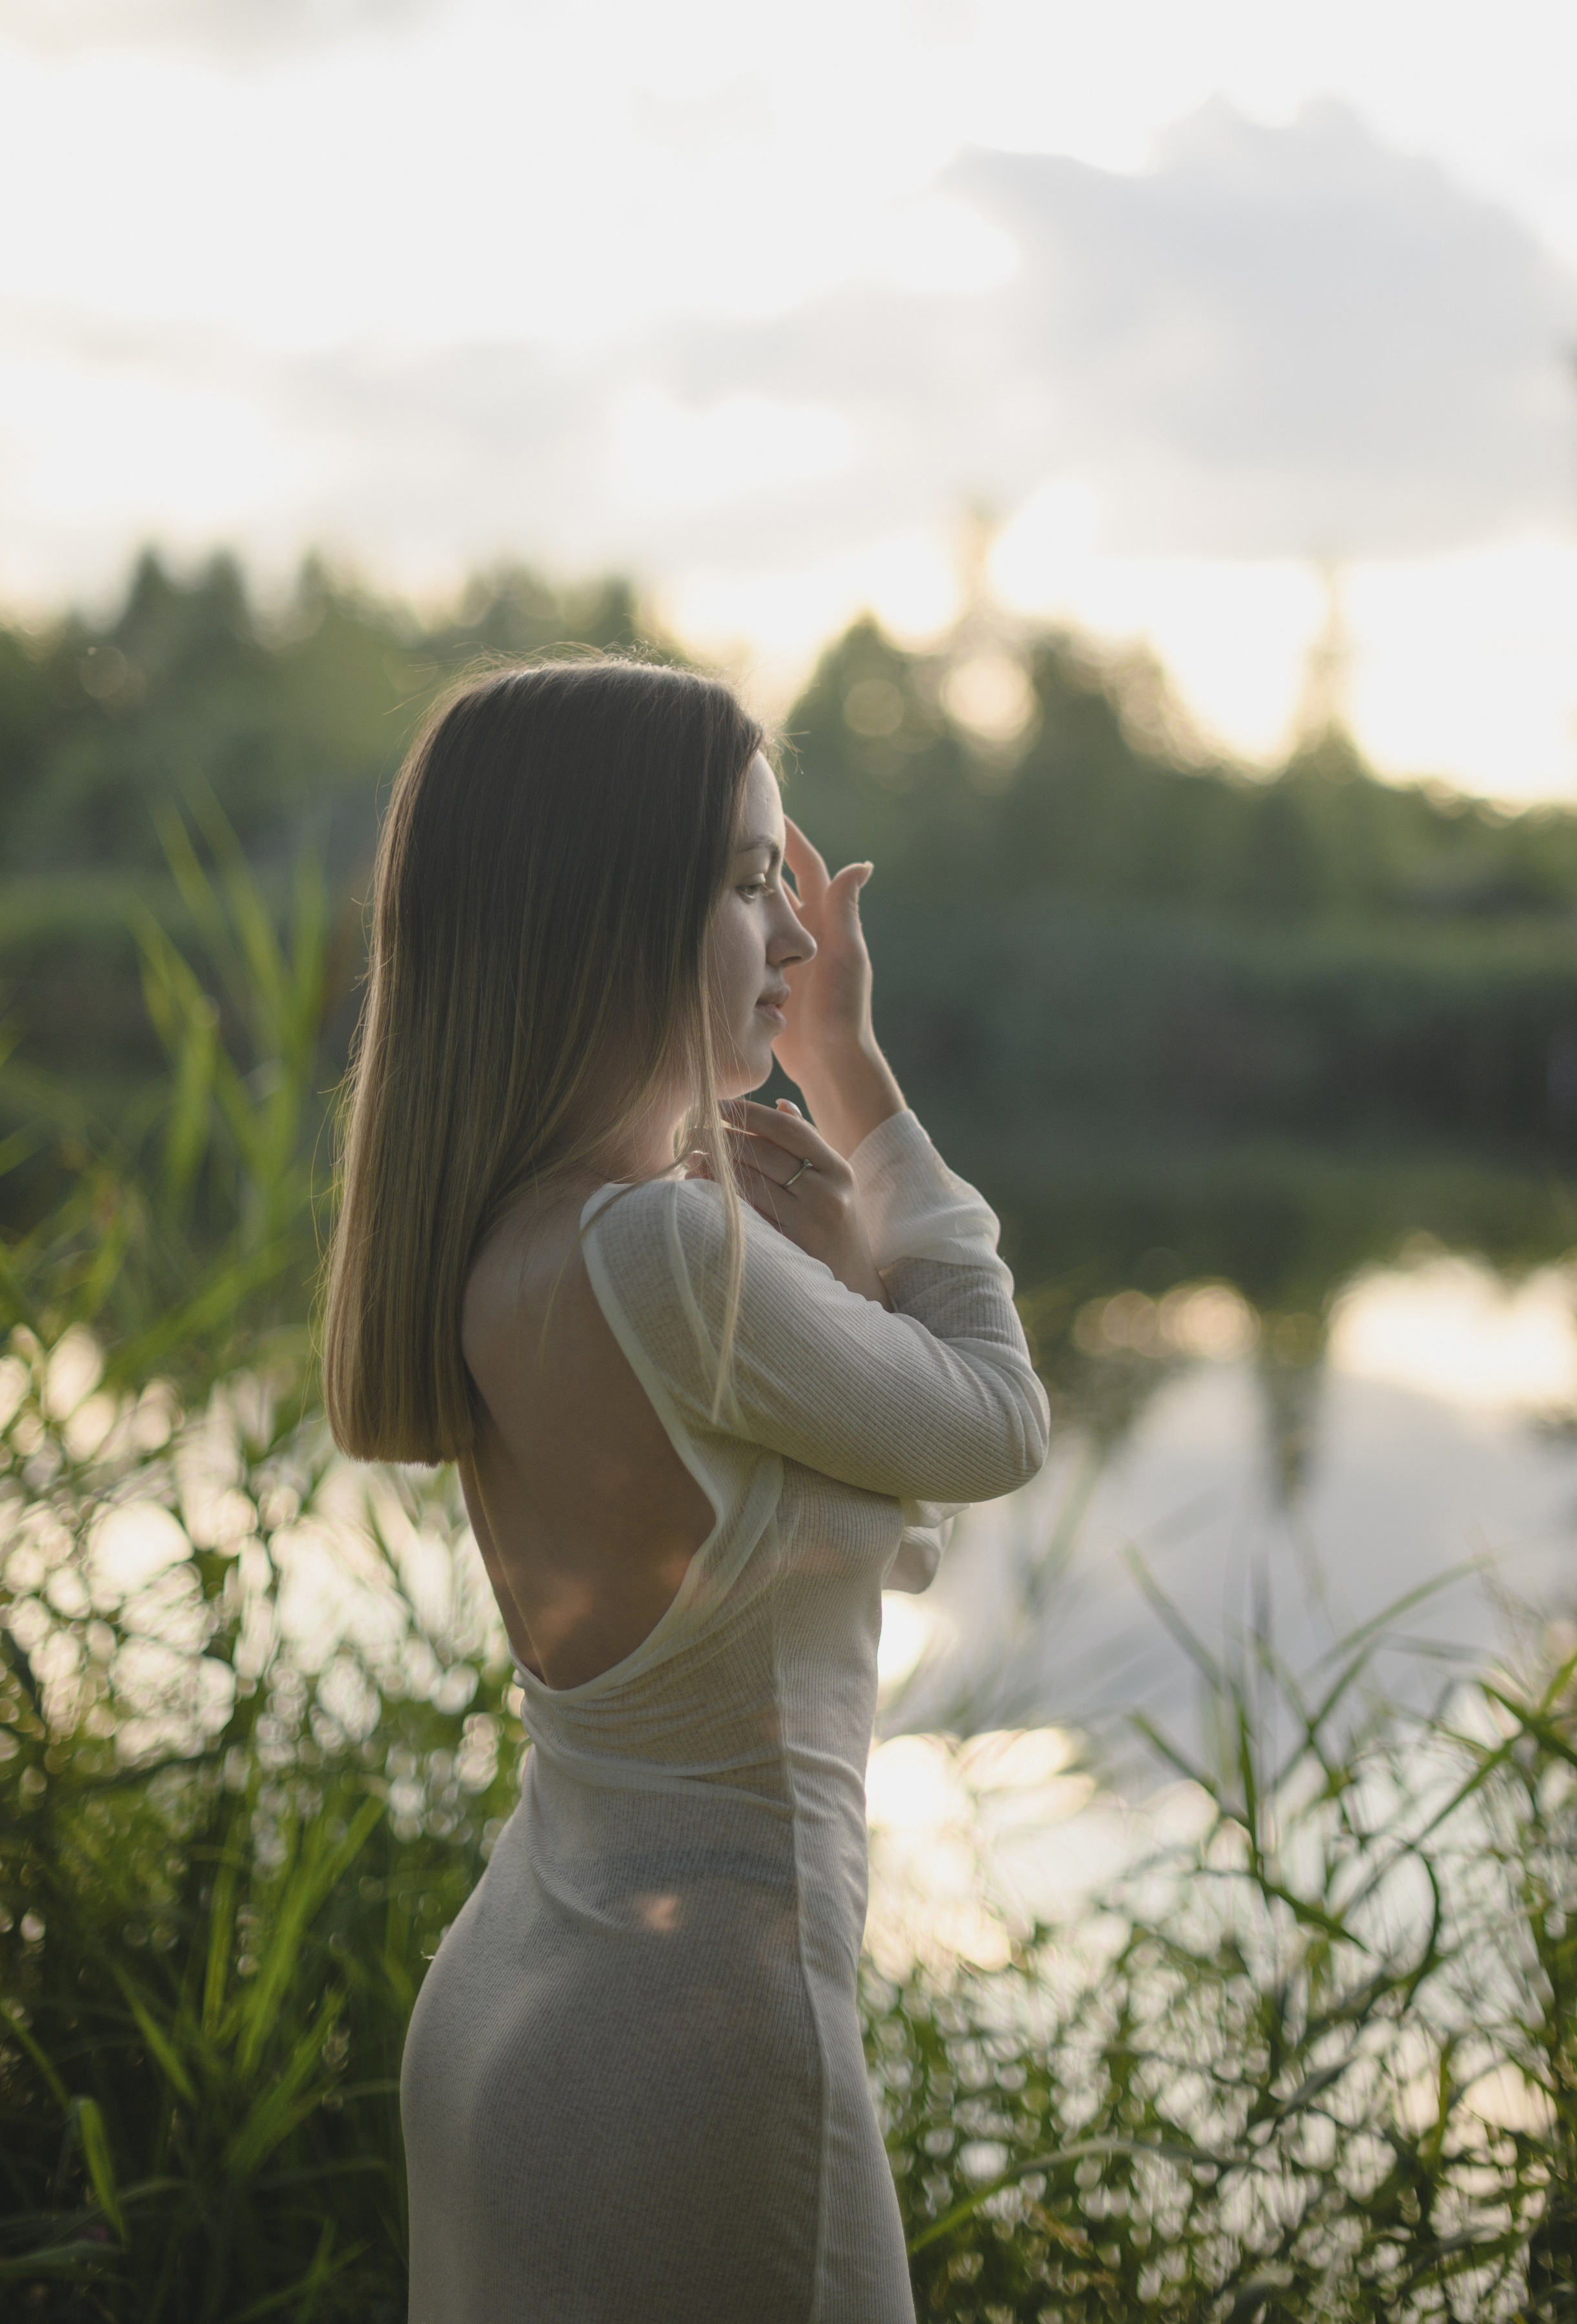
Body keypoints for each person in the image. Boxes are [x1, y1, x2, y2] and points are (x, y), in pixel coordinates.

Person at [324, 655, 1050, 2323]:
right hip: (696, 2051)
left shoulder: (518, 1230)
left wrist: (845, 1291)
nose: (798, 945)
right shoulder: (657, 1242)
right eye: (744, 885)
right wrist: (858, 1087)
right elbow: (995, 1422)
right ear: (599, 912)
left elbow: (843, 1512)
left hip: (533, 1998)